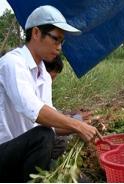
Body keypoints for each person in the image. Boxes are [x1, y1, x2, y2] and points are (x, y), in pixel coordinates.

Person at [0, 5, 99, 182]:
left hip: (26, 152)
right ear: (36, 33)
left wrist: (82, 126)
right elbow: (33, 110)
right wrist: (78, 126)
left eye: (62, 42)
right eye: (56, 39)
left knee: (80, 177)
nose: (59, 47)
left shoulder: (44, 75)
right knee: (43, 136)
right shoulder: (12, 63)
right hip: (5, 153)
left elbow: (51, 123)